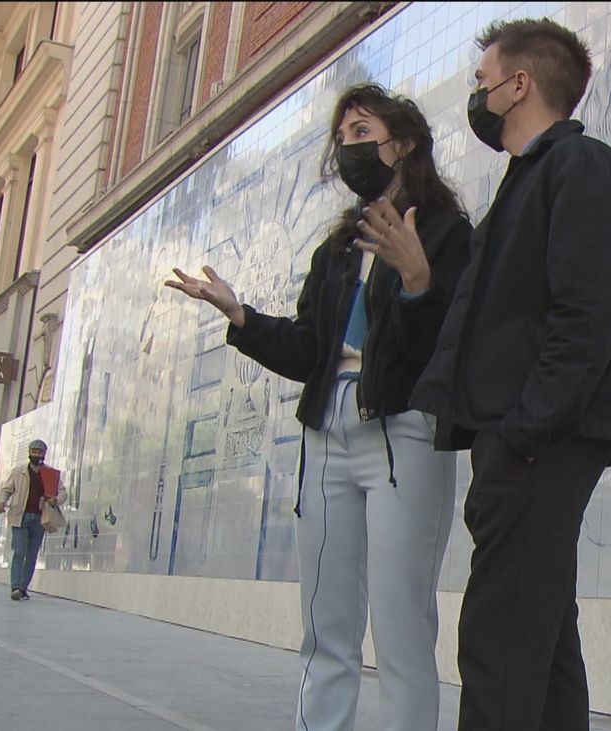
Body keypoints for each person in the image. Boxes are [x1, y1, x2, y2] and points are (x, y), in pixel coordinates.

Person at [165, 84, 471, 731]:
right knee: (325, 625)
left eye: (362, 132)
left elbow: (449, 350)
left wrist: (418, 282)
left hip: (402, 437)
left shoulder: (445, 232)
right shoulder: (337, 249)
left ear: (404, 142)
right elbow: (310, 349)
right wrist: (240, 316)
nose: (348, 147)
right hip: (326, 436)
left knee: (401, 625)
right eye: (342, 137)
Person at [410, 18, 611, 731]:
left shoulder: (581, 168)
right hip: (523, 438)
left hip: (541, 440)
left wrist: (523, 431)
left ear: (520, 85)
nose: (475, 93)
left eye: (481, 79)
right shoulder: (527, 184)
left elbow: (588, 312)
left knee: (499, 645)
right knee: (539, 647)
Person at [0, 439, 65, 601]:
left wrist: (56, 499)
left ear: (44, 454)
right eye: (34, 452)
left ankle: (23, 587)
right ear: (29, 453)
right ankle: (15, 586)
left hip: (40, 517)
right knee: (19, 552)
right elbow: (7, 489)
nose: (36, 455)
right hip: (20, 515)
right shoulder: (19, 471)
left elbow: (62, 492)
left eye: (39, 453)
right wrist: (1, 501)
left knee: (32, 554)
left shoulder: (50, 473)